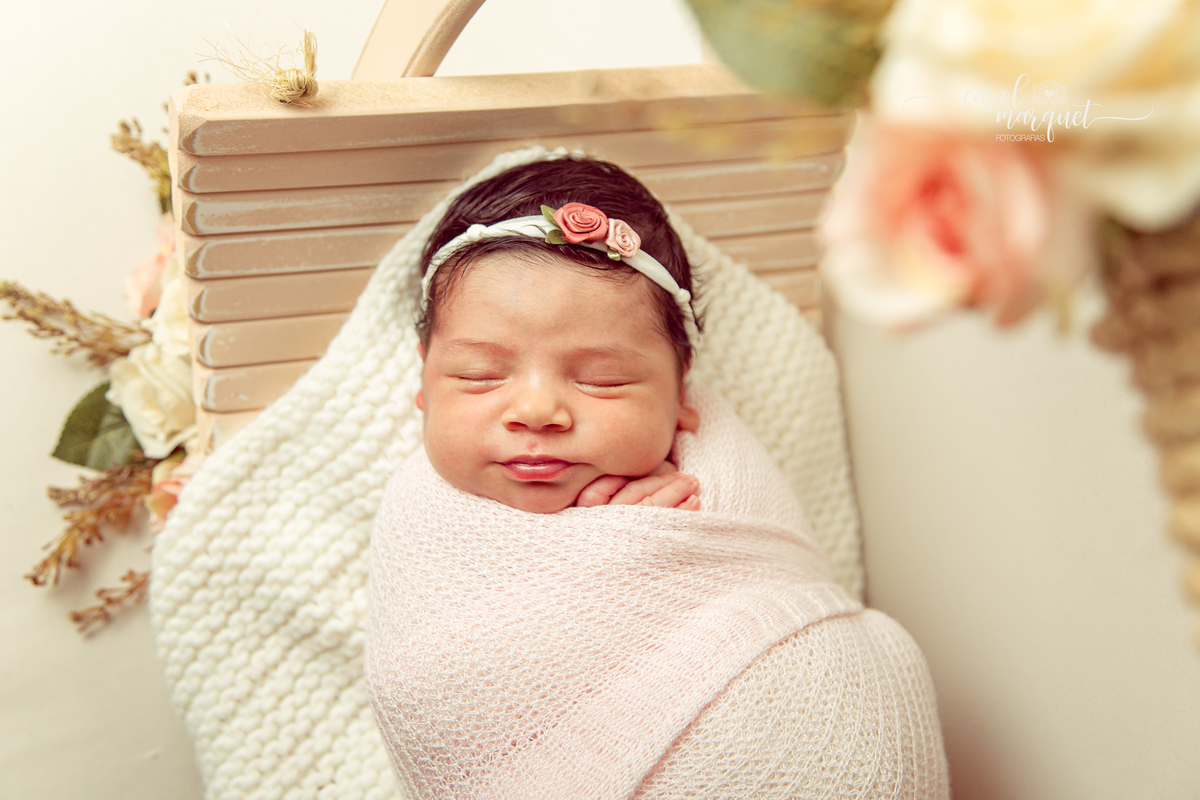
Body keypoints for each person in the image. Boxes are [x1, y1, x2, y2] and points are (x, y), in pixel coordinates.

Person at [367, 154, 950, 799]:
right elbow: (429, 695)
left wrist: (654, 543)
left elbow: (786, 590)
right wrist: (591, 561)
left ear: (681, 393)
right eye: (480, 374)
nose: (536, 411)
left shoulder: (717, 484)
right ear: (423, 381)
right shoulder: (421, 519)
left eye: (603, 380)